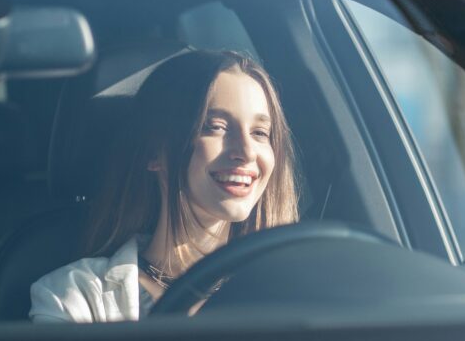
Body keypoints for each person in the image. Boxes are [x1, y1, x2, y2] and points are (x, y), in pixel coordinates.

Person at [30, 49, 300, 323]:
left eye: (260, 133)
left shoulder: (294, 290)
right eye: (215, 127)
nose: (246, 151)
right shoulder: (78, 296)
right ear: (153, 153)